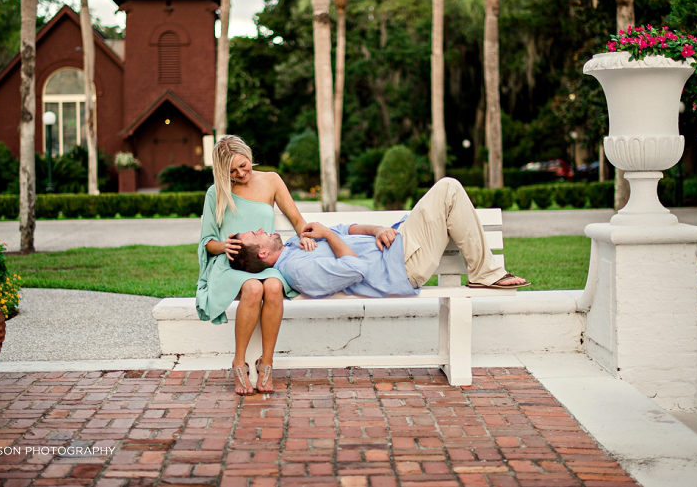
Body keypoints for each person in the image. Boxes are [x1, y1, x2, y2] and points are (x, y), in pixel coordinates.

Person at [228, 177, 529, 297]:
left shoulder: (295, 245)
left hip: (397, 243)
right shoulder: (297, 270)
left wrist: (376, 230)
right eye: (255, 235)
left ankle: (484, 273)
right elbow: (353, 269)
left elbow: (347, 229)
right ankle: (486, 274)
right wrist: (327, 237)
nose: (261, 230)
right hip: (402, 266)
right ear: (263, 254)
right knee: (448, 189)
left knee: (448, 194)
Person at [196, 135, 316, 396]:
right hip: (230, 264)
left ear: (249, 156)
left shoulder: (271, 180)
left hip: (264, 261)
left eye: (244, 165)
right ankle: (239, 362)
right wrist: (222, 246)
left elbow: (295, 218)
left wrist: (304, 235)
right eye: (232, 171)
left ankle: (267, 362)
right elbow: (207, 242)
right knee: (252, 289)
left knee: (273, 287)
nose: (241, 173)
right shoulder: (216, 192)